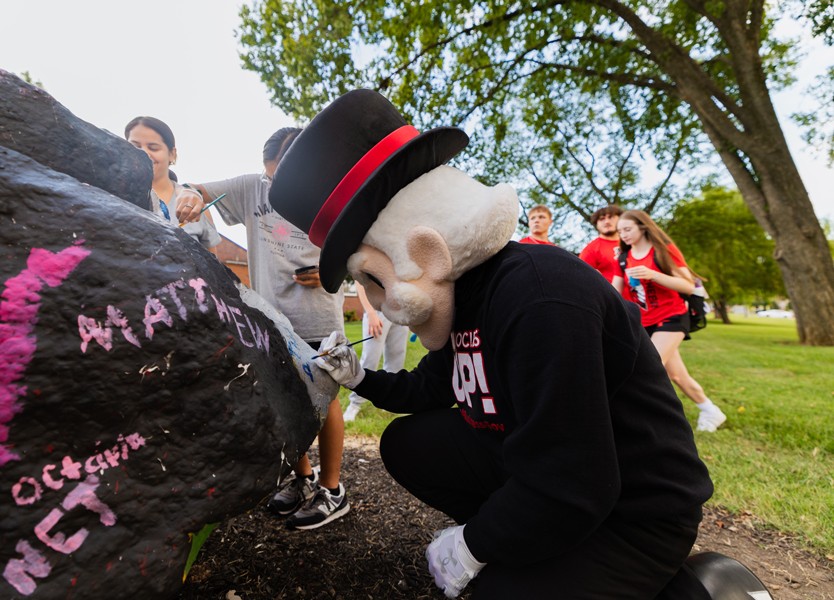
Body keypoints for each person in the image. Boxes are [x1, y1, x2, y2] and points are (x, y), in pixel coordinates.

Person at [268, 90, 715, 599]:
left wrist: (474, 545)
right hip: (542, 470)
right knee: (408, 444)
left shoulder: (540, 299)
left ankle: (693, 588)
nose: (379, 303)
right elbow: (430, 390)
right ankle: (529, 539)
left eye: (372, 279)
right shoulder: (461, 298)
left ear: (425, 253)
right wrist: (359, 377)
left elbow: (575, 480)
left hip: (629, 509)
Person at [181, 128, 349, 530]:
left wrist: (332, 271)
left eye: (284, 179)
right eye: (270, 176)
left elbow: (357, 253)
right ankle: (303, 478)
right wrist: (189, 194)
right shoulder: (252, 189)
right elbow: (195, 188)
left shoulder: (334, 196)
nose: (275, 186)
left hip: (318, 317)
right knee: (284, 401)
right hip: (269, 318)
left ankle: (332, 489)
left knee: (324, 402)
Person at [610, 210, 727, 433]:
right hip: (645, 322)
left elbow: (688, 285)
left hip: (672, 316)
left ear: (643, 227)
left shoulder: (663, 251)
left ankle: (645, 422)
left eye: (628, 229)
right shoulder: (623, 259)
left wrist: (653, 274)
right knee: (676, 376)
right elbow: (615, 292)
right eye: (620, 231)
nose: (623, 235)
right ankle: (711, 411)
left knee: (646, 366)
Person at [124, 117, 219, 251]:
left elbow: (212, 264)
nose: (143, 153)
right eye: (135, 146)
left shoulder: (195, 204)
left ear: (172, 154)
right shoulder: (112, 198)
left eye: (153, 148)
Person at [342, 283, 410, 422]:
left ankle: (391, 402)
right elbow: (360, 282)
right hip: (377, 311)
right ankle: (355, 404)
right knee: (370, 359)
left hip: (400, 310)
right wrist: (371, 313)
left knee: (396, 358)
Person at [579, 204, 624, 281]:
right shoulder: (590, 250)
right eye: (602, 219)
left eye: (611, 217)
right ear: (596, 224)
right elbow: (582, 277)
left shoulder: (632, 243)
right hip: (609, 292)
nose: (607, 221)